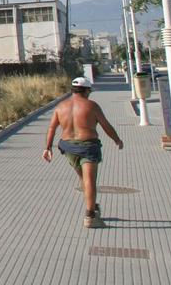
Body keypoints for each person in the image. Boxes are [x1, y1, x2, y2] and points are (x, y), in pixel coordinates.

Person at [42, 76, 124, 228]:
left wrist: (48, 148)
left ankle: (91, 205)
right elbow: (106, 125)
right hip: (88, 147)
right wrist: (117, 140)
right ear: (86, 90)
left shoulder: (60, 107)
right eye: (89, 91)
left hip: (68, 148)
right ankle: (90, 216)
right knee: (90, 180)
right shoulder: (91, 106)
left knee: (83, 178)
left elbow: (52, 128)